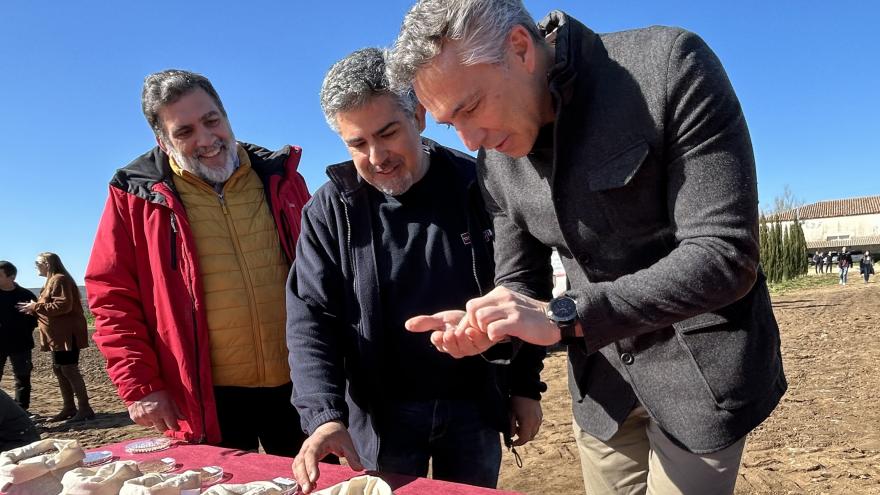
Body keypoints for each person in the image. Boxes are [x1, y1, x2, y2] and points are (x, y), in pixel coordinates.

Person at [391, 2, 787, 494]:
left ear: (519, 48)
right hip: (602, 389)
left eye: (470, 108)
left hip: (701, 380)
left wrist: (565, 317)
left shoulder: (668, 67)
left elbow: (724, 254)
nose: (472, 142)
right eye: (451, 125)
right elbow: (521, 279)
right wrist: (494, 320)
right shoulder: (495, 161)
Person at [287, 48, 546, 493]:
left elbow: (522, 284)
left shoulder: (479, 184)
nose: (377, 155)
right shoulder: (331, 210)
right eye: (358, 143)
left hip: (476, 404)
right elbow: (310, 317)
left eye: (388, 132)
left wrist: (524, 385)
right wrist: (324, 416)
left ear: (420, 116)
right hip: (381, 416)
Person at [85, 70, 311, 456]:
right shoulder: (136, 195)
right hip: (204, 397)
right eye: (185, 131)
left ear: (226, 116)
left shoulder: (280, 178)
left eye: (212, 121)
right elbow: (112, 298)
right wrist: (141, 386)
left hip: (299, 387)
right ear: (162, 140)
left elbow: (322, 276)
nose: (206, 140)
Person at [17, 252, 93, 422]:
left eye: (37, 263)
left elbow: (63, 306)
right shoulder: (53, 280)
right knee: (59, 369)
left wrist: (36, 306)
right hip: (58, 336)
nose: (35, 266)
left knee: (69, 369)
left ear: (47, 263)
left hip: (66, 334)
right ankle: (69, 408)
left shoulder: (60, 279)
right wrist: (35, 309)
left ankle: (85, 409)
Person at [0, 261, 37, 412]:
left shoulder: (26, 295)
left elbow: (34, 320)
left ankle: (22, 410)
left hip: (21, 344)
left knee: (22, 377)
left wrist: (22, 331)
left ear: (12, 276)